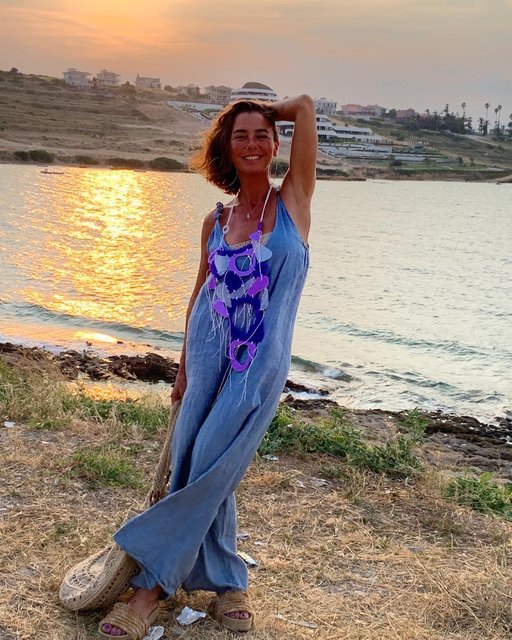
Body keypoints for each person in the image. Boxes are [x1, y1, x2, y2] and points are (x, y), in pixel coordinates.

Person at [98, 94, 317, 638]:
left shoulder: (293, 202)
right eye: (240, 135)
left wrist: (262, 109)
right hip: (205, 354)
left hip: (256, 369)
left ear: (276, 145)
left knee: (210, 460)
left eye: (262, 135)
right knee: (196, 458)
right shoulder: (215, 220)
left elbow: (306, 107)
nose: (252, 144)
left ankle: (149, 588)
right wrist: (182, 369)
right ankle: (226, 582)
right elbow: (200, 293)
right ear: (226, 146)